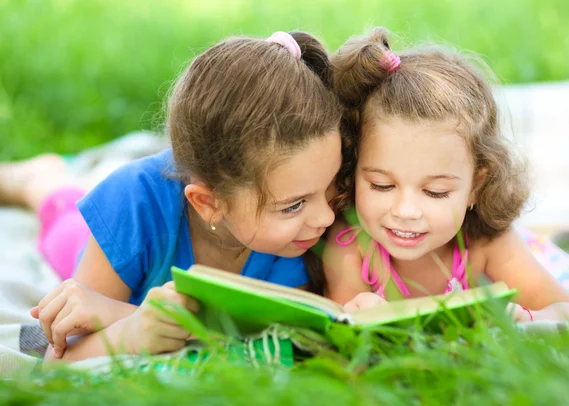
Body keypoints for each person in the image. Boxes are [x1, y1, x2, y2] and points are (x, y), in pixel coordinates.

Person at [0, 31, 343, 361]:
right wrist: (131, 332)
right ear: (208, 204)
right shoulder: (132, 207)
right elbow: (57, 360)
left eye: (330, 189)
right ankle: (39, 180)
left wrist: (121, 314)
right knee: (64, 218)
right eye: (294, 205)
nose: (326, 218)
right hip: (104, 246)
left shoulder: (296, 232)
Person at [323, 28, 569, 325]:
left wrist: (523, 317)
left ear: (476, 186)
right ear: (353, 168)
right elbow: (342, 333)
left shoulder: (486, 243)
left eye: (435, 192)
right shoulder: (351, 247)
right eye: (381, 185)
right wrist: (368, 316)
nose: (405, 211)